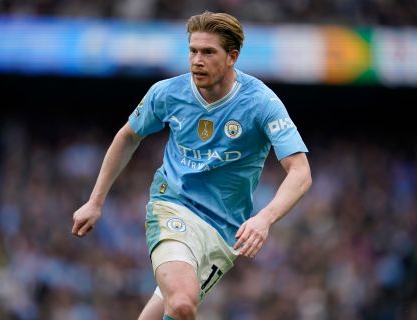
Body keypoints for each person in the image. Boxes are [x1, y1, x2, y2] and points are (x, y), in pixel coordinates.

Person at [72, 10, 312, 320]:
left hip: (224, 232)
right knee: (183, 304)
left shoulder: (261, 103)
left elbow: (300, 171)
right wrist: (95, 201)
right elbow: (128, 136)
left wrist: (264, 219)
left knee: (170, 311)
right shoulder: (168, 93)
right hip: (172, 205)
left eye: (208, 52)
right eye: (193, 51)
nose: (197, 60)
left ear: (232, 57)